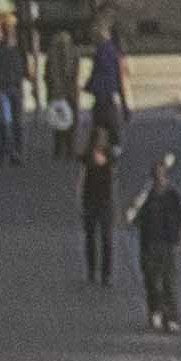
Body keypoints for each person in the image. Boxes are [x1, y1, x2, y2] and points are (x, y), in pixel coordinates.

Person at [131, 156, 181, 332]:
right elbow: (133, 218)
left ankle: (171, 317)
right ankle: (155, 311)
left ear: (166, 176)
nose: (160, 178)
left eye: (162, 175)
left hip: (168, 244)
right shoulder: (146, 196)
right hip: (149, 244)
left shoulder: (173, 195)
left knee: (169, 283)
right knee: (151, 281)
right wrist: (135, 208)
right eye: (156, 175)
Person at [75, 112, 120, 283]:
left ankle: (104, 273)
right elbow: (81, 177)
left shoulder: (110, 157)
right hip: (93, 200)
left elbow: (114, 179)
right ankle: (94, 271)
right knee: (92, 237)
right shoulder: (87, 158)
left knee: (105, 238)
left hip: (103, 201)